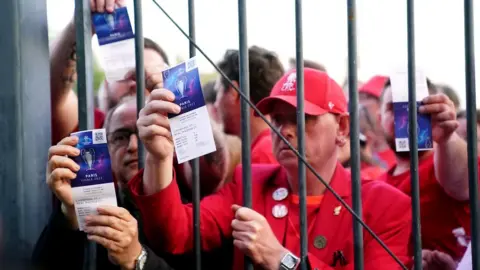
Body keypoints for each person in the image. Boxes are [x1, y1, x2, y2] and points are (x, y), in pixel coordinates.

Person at [127, 68, 412, 269]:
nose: (285, 130)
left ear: (343, 128)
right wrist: (159, 158)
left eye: (301, 118)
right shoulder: (250, 183)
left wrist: (282, 261)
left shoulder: (385, 205)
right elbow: (173, 234)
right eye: (276, 119)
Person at [32, 96, 231, 270]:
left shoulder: (191, 212)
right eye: (121, 137)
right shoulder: (93, 206)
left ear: (171, 142)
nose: (133, 146)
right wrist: (69, 214)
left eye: (146, 134)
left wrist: (138, 258)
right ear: (106, 148)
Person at [378, 78, 476, 261]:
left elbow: (463, 183)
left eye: (415, 107)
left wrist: (447, 137)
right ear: (379, 118)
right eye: (393, 108)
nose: (404, 116)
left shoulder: (446, 162)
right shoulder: (376, 184)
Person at [49, 0, 169, 145]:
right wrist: (78, 26)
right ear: (106, 84)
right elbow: (51, 94)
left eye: (149, 76)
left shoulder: (180, 134)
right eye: (126, 74)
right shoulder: (91, 123)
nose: (135, 83)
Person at [214, 46, 284, 164]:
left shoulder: (263, 155)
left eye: (218, 92)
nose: (216, 104)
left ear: (233, 92)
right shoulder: (272, 147)